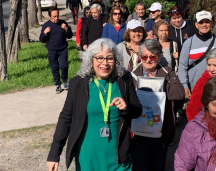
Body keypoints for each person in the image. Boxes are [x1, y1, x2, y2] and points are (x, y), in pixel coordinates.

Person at [46, 38, 142, 171]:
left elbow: (137, 110)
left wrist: (126, 106)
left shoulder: (124, 80)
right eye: (99, 58)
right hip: (88, 156)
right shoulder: (78, 84)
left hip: (118, 156)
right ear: (91, 60)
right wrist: (54, 153)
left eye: (109, 58)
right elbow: (66, 119)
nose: (105, 63)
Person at [131, 39, 185, 171]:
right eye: (144, 56)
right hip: (138, 132)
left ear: (159, 57)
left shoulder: (167, 72)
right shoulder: (132, 75)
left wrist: (159, 84)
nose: (148, 60)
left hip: (161, 132)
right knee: (140, 166)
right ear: (140, 57)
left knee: (158, 166)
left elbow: (179, 94)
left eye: (153, 56)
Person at [178, 10, 216, 100]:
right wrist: (185, 85)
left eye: (207, 22)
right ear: (196, 25)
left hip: (214, 87)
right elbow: (182, 67)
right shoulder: (189, 43)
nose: (204, 25)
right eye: (201, 22)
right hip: (194, 87)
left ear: (211, 23)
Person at [39, 7, 73, 94]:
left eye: (57, 16)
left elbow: (69, 36)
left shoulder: (63, 23)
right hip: (52, 50)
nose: (56, 18)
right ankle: (58, 84)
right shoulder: (47, 25)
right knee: (54, 68)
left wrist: (66, 29)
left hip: (62, 49)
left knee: (64, 66)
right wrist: (45, 33)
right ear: (50, 17)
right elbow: (42, 40)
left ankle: (65, 81)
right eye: (54, 16)